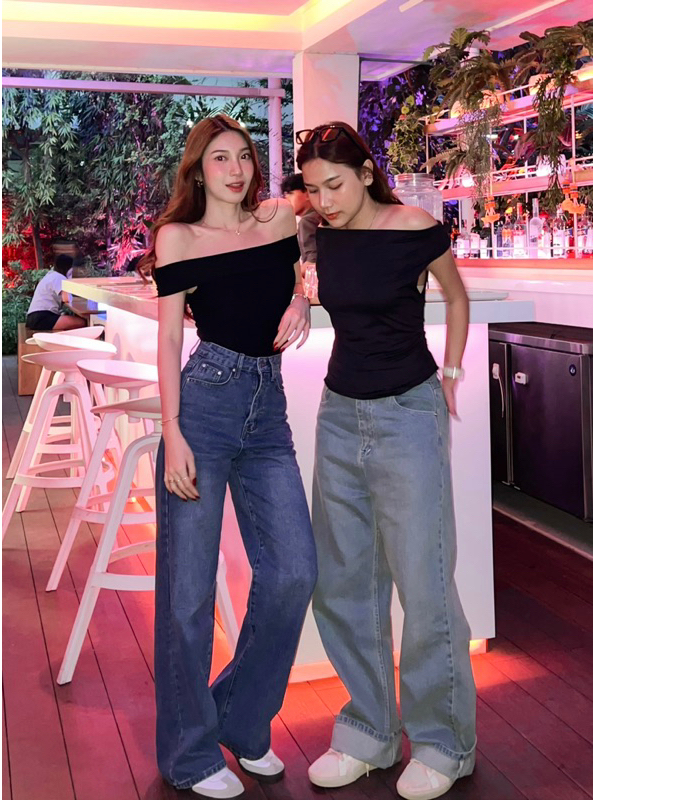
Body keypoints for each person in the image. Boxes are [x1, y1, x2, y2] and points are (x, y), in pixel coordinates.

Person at [138, 113, 317, 799]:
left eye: (243, 155)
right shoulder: (178, 237)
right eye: (220, 158)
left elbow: (309, 257)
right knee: (187, 596)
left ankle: (240, 721)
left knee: (294, 571)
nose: (236, 169)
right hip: (204, 409)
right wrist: (173, 432)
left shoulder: (276, 221)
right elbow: (167, 340)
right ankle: (188, 754)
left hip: (267, 408)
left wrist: (302, 297)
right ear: (198, 168)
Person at [296, 121, 476, 800]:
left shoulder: (415, 228)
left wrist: (452, 371)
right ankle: (368, 733)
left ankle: (444, 743)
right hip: (339, 413)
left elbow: (456, 295)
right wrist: (295, 294)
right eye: (314, 189)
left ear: (367, 173)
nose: (324, 200)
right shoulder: (320, 233)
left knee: (424, 583)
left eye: (334, 185)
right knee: (344, 581)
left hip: (407, 411)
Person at [25, 254, 87, 331]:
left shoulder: (51, 275)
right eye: (71, 272)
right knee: (82, 322)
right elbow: (66, 299)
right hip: (41, 318)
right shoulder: (59, 278)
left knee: (75, 321)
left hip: (35, 317)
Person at [280, 172, 321, 273]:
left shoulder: (307, 221)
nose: (286, 199)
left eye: (290, 193)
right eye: (285, 195)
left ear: (307, 194)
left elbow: (312, 262)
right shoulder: (320, 216)